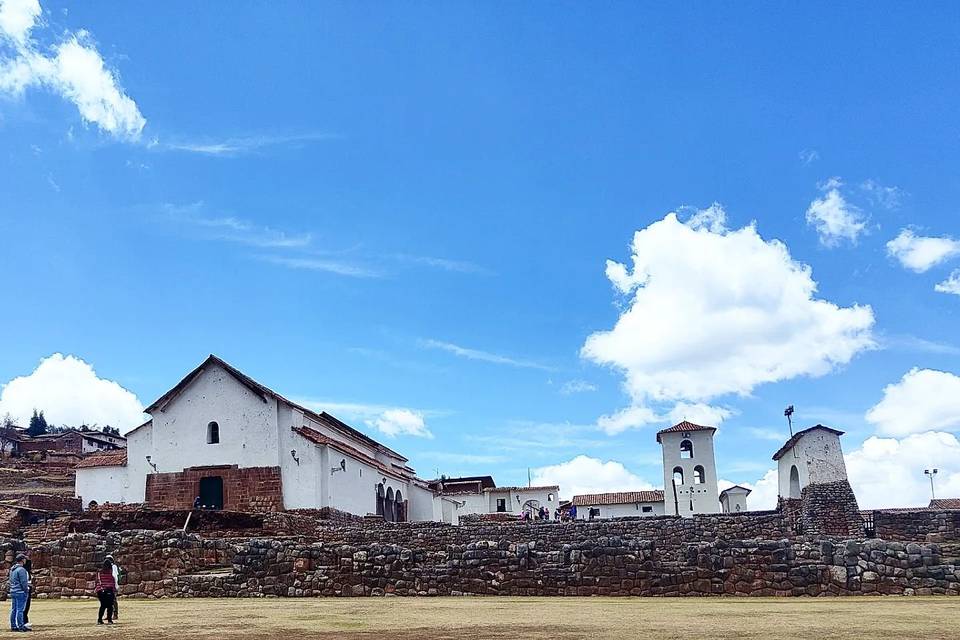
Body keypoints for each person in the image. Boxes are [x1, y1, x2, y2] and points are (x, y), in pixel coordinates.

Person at [8, 553, 29, 632]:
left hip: (13, 591)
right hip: (20, 592)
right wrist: (26, 591)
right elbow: (24, 583)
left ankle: (13, 625)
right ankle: (21, 626)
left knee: (14, 609)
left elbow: (11, 580)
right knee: (20, 610)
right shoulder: (21, 570)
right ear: (22, 560)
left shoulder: (12, 569)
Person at [94, 559, 116, 625]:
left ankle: (99, 619)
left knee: (103, 606)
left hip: (101, 591)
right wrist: (114, 590)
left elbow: (97, 581)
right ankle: (109, 620)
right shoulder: (111, 573)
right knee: (110, 606)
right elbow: (113, 582)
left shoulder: (99, 573)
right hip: (109, 590)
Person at [105, 554, 120, 620]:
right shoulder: (106, 568)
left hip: (112, 586)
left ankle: (115, 614)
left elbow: (115, 577)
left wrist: (115, 586)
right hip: (107, 586)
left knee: (113, 600)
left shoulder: (113, 567)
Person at [21, 558, 33, 631]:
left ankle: (23, 621)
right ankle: (23, 622)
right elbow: (24, 582)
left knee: (24, 608)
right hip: (24, 591)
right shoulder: (24, 571)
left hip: (24, 590)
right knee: (23, 608)